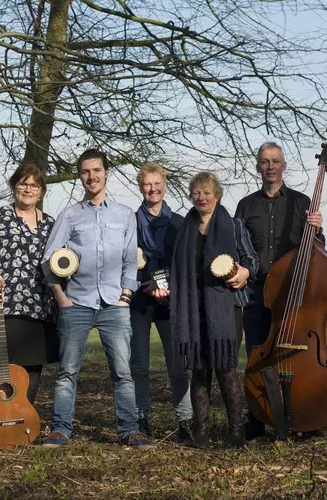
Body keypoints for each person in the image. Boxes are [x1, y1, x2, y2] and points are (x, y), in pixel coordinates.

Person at [39, 148, 152, 449]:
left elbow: (131, 260)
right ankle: (61, 429)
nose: (92, 176)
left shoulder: (125, 215)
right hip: (76, 303)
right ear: (80, 176)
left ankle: (130, 430)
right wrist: (60, 295)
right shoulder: (70, 215)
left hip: (115, 305)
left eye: (97, 170)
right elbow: (48, 257)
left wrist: (126, 296)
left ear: (106, 173)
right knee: (67, 372)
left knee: (123, 372)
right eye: (86, 171)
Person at [234, 141, 324, 440]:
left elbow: (317, 249)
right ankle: (258, 417)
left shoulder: (301, 202)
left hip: (291, 292)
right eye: (264, 161)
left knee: (295, 353)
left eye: (275, 161)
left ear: (284, 165)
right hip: (257, 292)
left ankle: (301, 412)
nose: (270, 166)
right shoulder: (246, 206)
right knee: (257, 354)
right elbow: (237, 247)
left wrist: (316, 229)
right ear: (257, 166)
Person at [164, 171, 258, 448]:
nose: (201, 197)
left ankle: (236, 432)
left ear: (216, 194)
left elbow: (252, 260)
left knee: (227, 369)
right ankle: (201, 433)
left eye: (206, 192)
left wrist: (244, 272)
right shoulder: (184, 229)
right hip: (193, 308)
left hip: (226, 308)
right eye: (196, 192)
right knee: (200, 370)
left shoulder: (234, 225)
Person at [0, 163, 59, 404]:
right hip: (3, 307)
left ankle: (24, 421)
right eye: (23, 183)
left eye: (34, 185)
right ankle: (3, 419)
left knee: (33, 373)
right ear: (14, 186)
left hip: (41, 309)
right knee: (6, 373)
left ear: (41, 191)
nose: (28, 189)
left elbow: (60, 261)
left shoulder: (51, 224)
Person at [129, 162, 193, 441]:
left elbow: (185, 264)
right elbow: (123, 262)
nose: (152, 189)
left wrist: (166, 285)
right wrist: (144, 283)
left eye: (157, 184)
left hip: (171, 303)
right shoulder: (129, 223)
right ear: (141, 187)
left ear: (164, 185)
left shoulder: (179, 223)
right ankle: (141, 420)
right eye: (147, 184)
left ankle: (186, 422)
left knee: (178, 366)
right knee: (139, 366)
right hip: (139, 303)